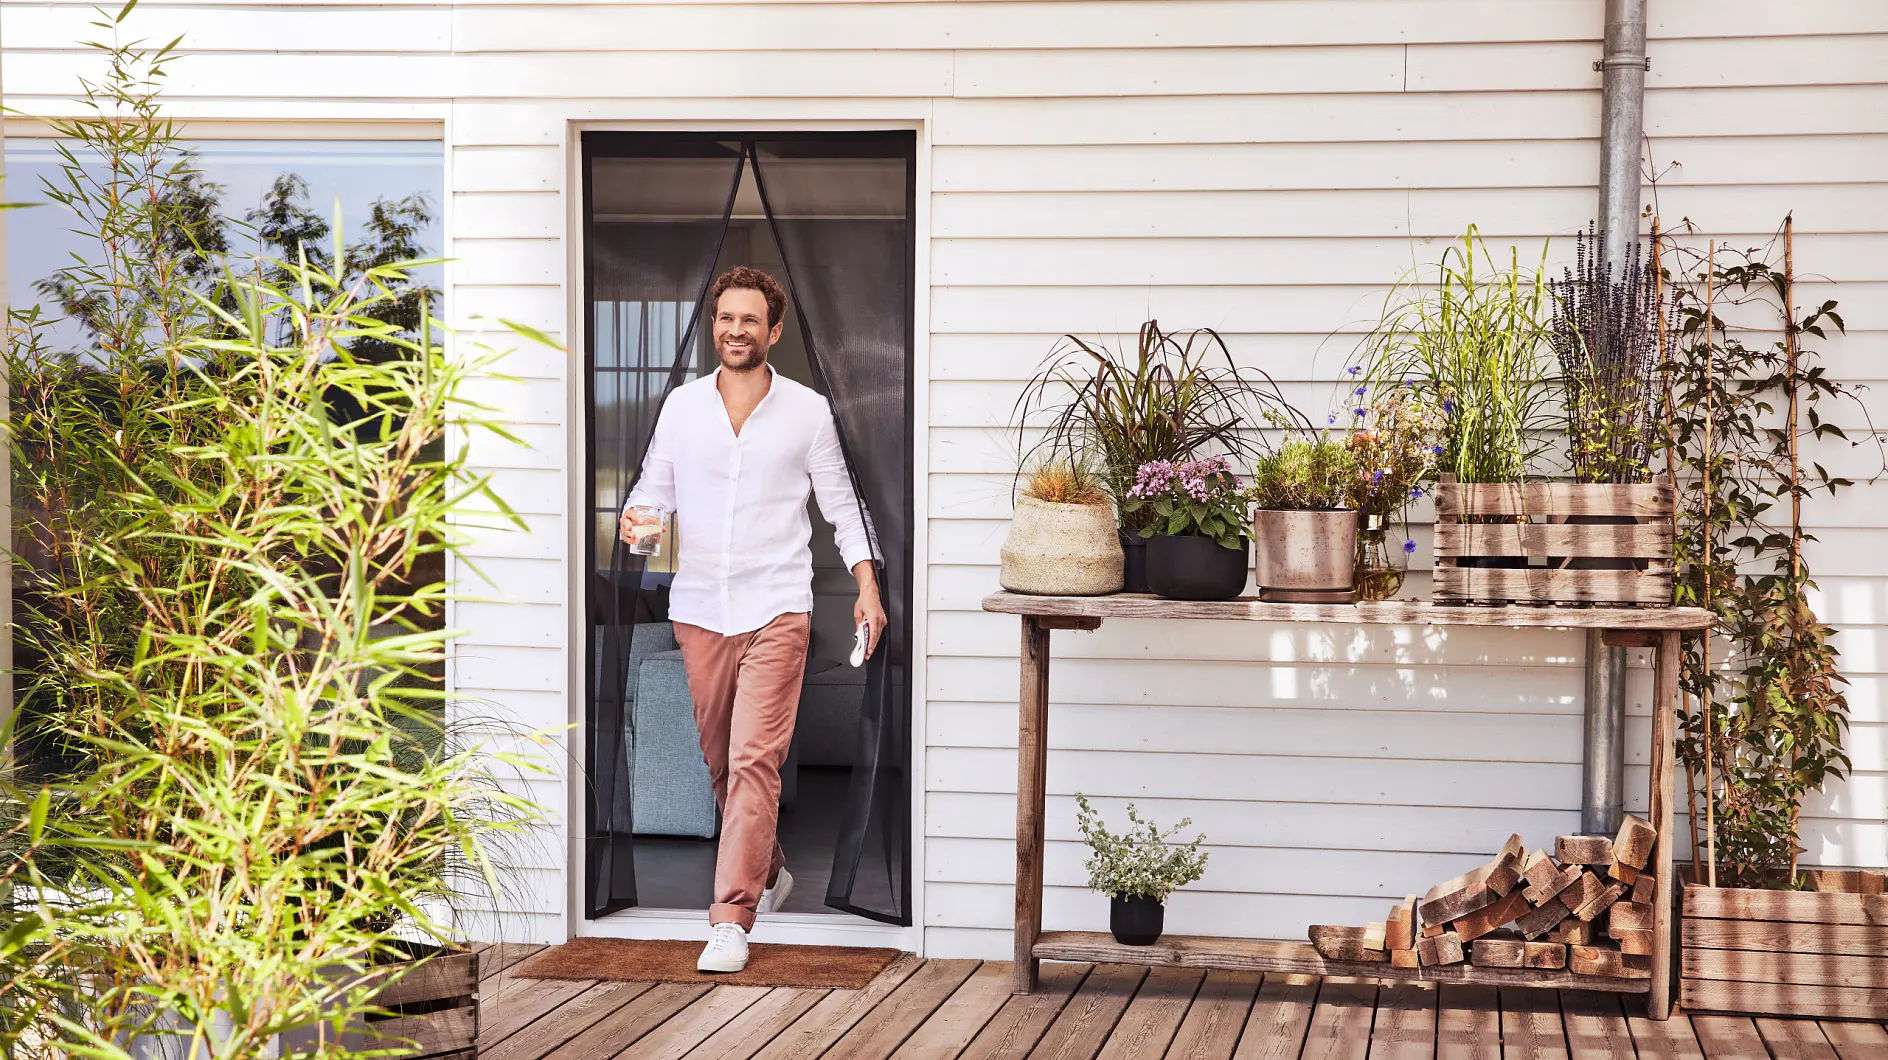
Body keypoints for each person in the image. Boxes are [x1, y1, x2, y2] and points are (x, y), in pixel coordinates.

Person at [620, 265, 886, 973]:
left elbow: (843, 507)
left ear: (774, 330)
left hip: (778, 607)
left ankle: (731, 917)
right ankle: (769, 869)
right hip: (701, 608)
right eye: (725, 318)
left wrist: (867, 587)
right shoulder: (680, 408)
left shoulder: (807, 413)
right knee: (720, 761)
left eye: (750, 320)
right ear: (716, 325)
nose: (736, 330)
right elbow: (653, 492)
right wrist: (638, 528)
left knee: (753, 761)